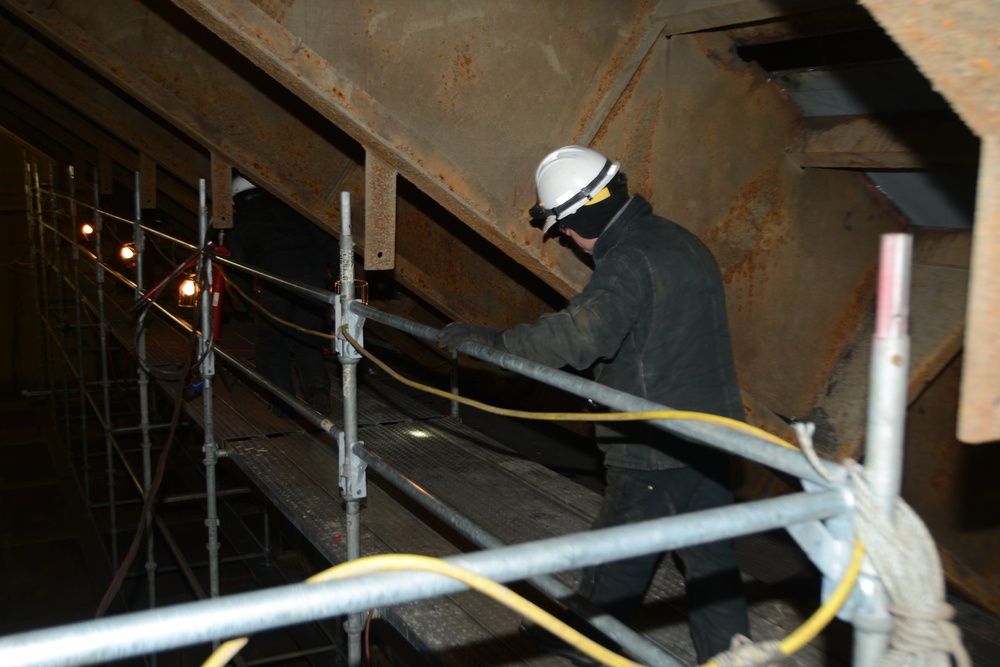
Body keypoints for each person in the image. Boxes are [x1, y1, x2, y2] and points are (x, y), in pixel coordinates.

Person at [437, 146, 751, 664]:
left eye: (561, 227)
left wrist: (492, 344)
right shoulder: (678, 240)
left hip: (655, 441)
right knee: (712, 560)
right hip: (712, 431)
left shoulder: (628, 260)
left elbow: (577, 337)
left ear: (582, 215)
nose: (563, 238)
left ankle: (584, 643)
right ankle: (728, 652)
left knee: (617, 554)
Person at [225, 174, 338, 417]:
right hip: (313, 276)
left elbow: (237, 268)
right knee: (307, 337)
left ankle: (283, 403)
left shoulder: (241, 221)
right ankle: (318, 396)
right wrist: (344, 279)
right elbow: (328, 241)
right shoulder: (292, 209)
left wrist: (243, 303)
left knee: (272, 343)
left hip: (276, 282)